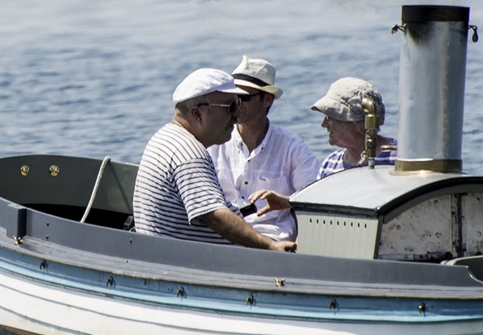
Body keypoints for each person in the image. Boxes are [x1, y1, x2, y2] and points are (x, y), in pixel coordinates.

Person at [132, 68, 295, 251]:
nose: (238, 115)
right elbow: (216, 216)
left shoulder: (166, 137)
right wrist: (270, 245)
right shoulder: (189, 154)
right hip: (192, 263)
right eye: (231, 107)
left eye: (239, 104)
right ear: (197, 114)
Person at [207, 56, 318, 242]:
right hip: (223, 238)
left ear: (267, 99)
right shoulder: (213, 144)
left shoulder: (293, 147)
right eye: (233, 98)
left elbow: (316, 202)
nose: (236, 104)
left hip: (274, 242)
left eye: (243, 98)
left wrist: (286, 201)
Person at [310, 77, 395, 176]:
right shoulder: (329, 165)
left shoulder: (399, 159)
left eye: (330, 117)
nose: (324, 124)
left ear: (360, 123)